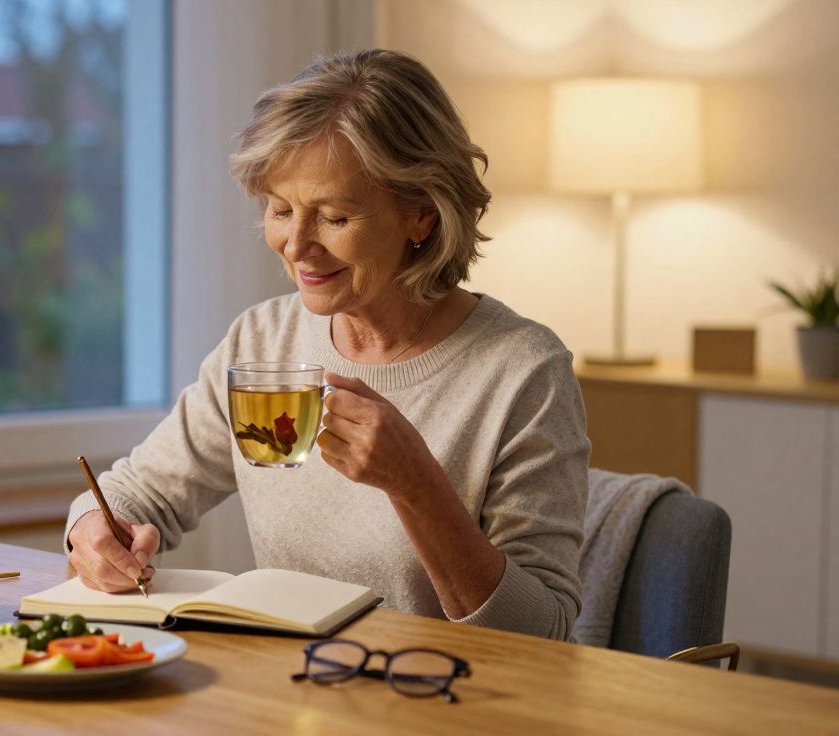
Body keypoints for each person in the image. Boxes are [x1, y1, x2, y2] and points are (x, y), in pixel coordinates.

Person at [64, 49, 589, 640]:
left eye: (334, 218)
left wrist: (416, 485)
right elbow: (135, 492)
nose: (296, 245)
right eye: (280, 210)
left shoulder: (523, 371)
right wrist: (92, 530)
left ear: (421, 215)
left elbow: (543, 632)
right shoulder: (263, 341)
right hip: (294, 697)